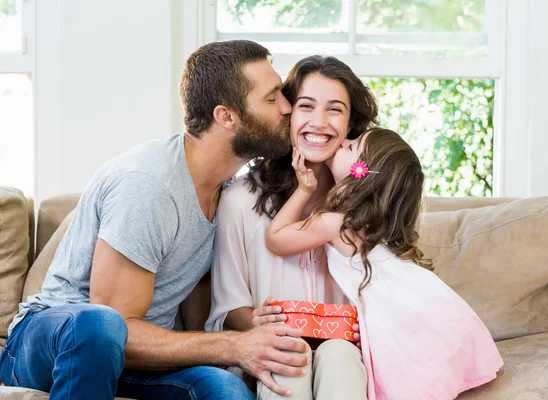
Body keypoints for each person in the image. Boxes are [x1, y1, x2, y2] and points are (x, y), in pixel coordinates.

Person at [0, 40, 311, 400]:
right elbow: (115, 327)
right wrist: (233, 346)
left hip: (135, 363)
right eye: (273, 99)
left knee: (224, 389)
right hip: (53, 343)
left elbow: (197, 289)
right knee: (100, 326)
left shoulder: (229, 189)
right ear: (226, 116)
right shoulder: (148, 187)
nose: (288, 108)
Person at [265, 128, 504, 400]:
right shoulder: (375, 226)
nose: (344, 140)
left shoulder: (336, 223)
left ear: (361, 172)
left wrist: (304, 189)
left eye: (352, 146)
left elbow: (276, 239)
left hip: (401, 311)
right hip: (419, 301)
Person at [204, 55, 379, 399]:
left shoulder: (368, 205)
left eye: (335, 109)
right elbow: (228, 309)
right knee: (289, 356)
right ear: (287, 113)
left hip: (345, 354)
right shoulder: (240, 200)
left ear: (351, 123)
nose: (319, 122)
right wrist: (263, 322)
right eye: (306, 106)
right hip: (272, 353)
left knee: (338, 354)